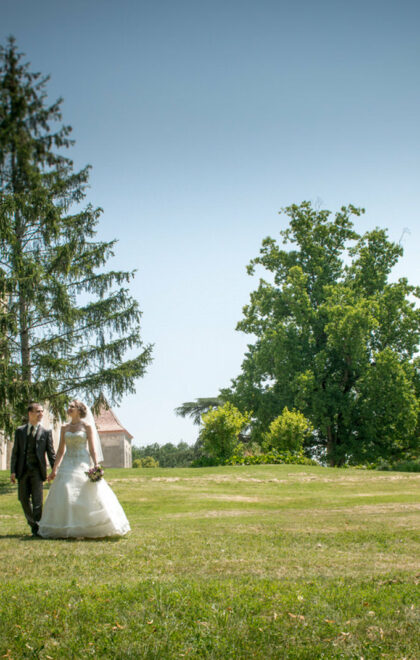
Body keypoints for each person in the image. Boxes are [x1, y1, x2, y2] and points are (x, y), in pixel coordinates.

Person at [39, 400, 130, 539]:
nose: (69, 408)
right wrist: (54, 469)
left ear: (79, 410)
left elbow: (92, 448)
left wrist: (96, 464)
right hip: (68, 462)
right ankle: (66, 527)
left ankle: (92, 526)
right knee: (66, 491)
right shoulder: (64, 427)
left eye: (72, 407)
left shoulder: (86, 426)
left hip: (82, 461)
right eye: (69, 406)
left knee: (87, 492)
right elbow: (61, 450)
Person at [10, 402, 56, 537]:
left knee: (37, 502)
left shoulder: (46, 432)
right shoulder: (20, 431)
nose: (41, 414)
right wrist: (13, 471)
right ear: (30, 414)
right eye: (38, 411)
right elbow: (15, 452)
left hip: (37, 471)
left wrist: (54, 470)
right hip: (22, 470)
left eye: (42, 411)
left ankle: (37, 530)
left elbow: (51, 453)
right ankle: (34, 525)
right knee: (23, 499)